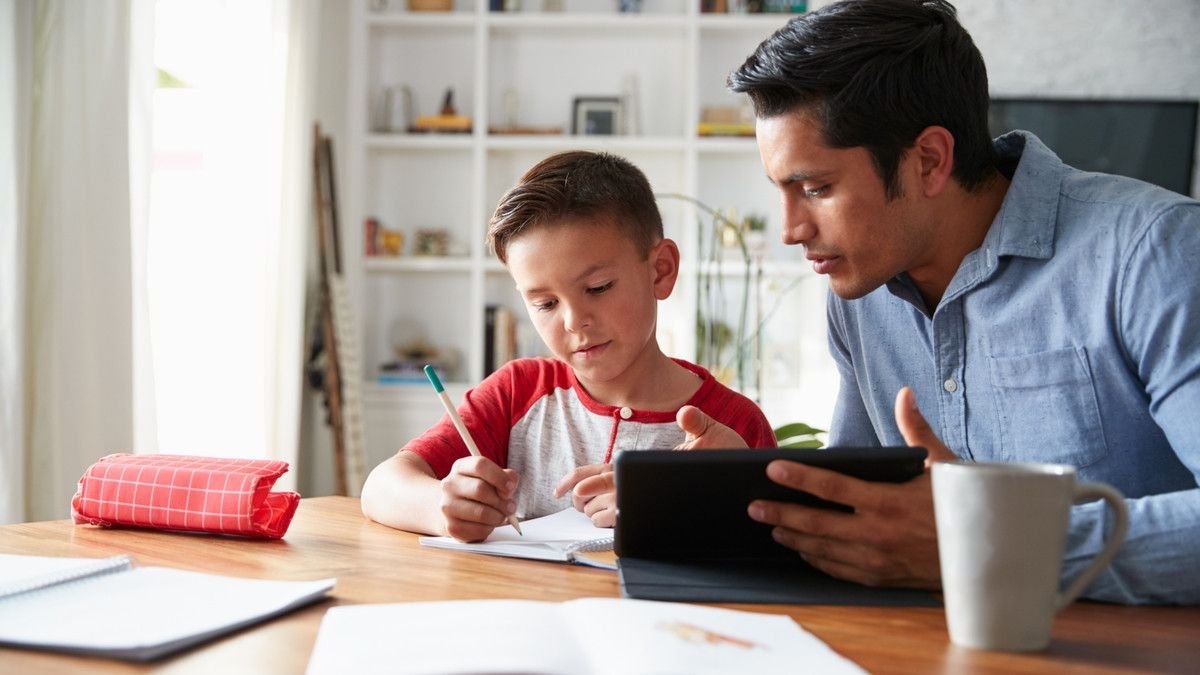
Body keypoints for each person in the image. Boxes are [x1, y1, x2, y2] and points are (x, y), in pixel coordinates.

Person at [651, 0, 1200, 605]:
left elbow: (949, 543)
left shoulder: (1155, 251)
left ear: (929, 161)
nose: (790, 230)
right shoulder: (859, 293)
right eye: (782, 191)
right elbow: (863, 509)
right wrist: (750, 489)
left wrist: (988, 543)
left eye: (815, 189)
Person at [360, 151, 777, 542]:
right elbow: (382, 486)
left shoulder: (732, 424)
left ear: (661, 270)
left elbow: (771, 550)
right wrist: (442, 506)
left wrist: (693, 504)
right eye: (545, 303)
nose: (575, 321)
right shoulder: (517, 393)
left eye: (598, 287)